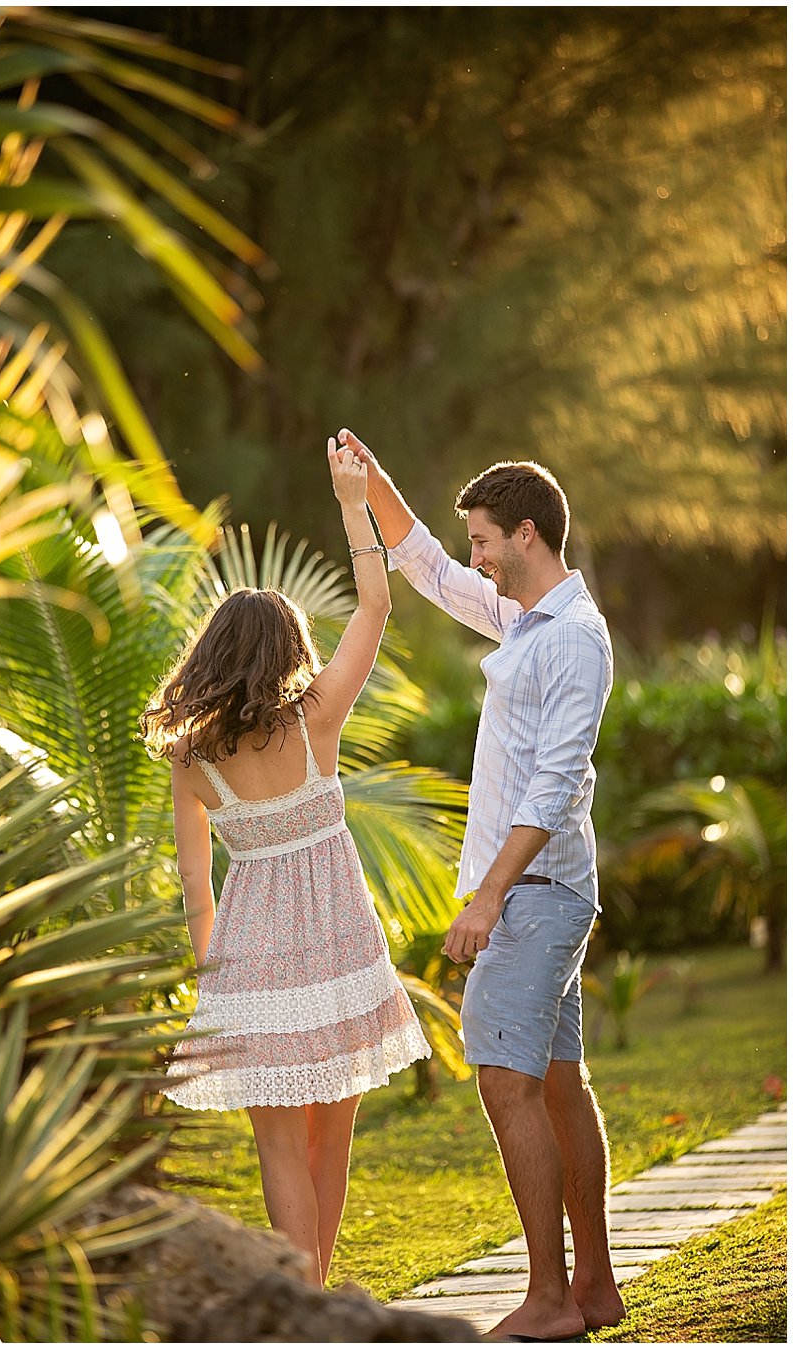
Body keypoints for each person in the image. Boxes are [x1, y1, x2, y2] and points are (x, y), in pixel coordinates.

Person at [340, 427, 623, 1342]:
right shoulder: (524, 619)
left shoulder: (572, 638)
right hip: (541, 888)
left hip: (536, 889)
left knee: (504, 1078)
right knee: (556, 1081)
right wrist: (373, 480)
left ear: (529, 534)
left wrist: (490, 893)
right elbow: (422, 563)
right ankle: (596, 1288)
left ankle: (548, 1298)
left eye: (484, 540)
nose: (476, 556)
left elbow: (557, 780)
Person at [143, 438, 431, 1286]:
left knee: (275, 1141)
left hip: (249, 957)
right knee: (329, 1135)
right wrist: (352, 501)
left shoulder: (191, 758)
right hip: (340, 941)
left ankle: (303, 1305)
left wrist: (213, 976)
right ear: (286, 648)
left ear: (212, 655)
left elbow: (196, 883)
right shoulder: (317, 716)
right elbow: (376, 605)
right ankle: (316, 1304)